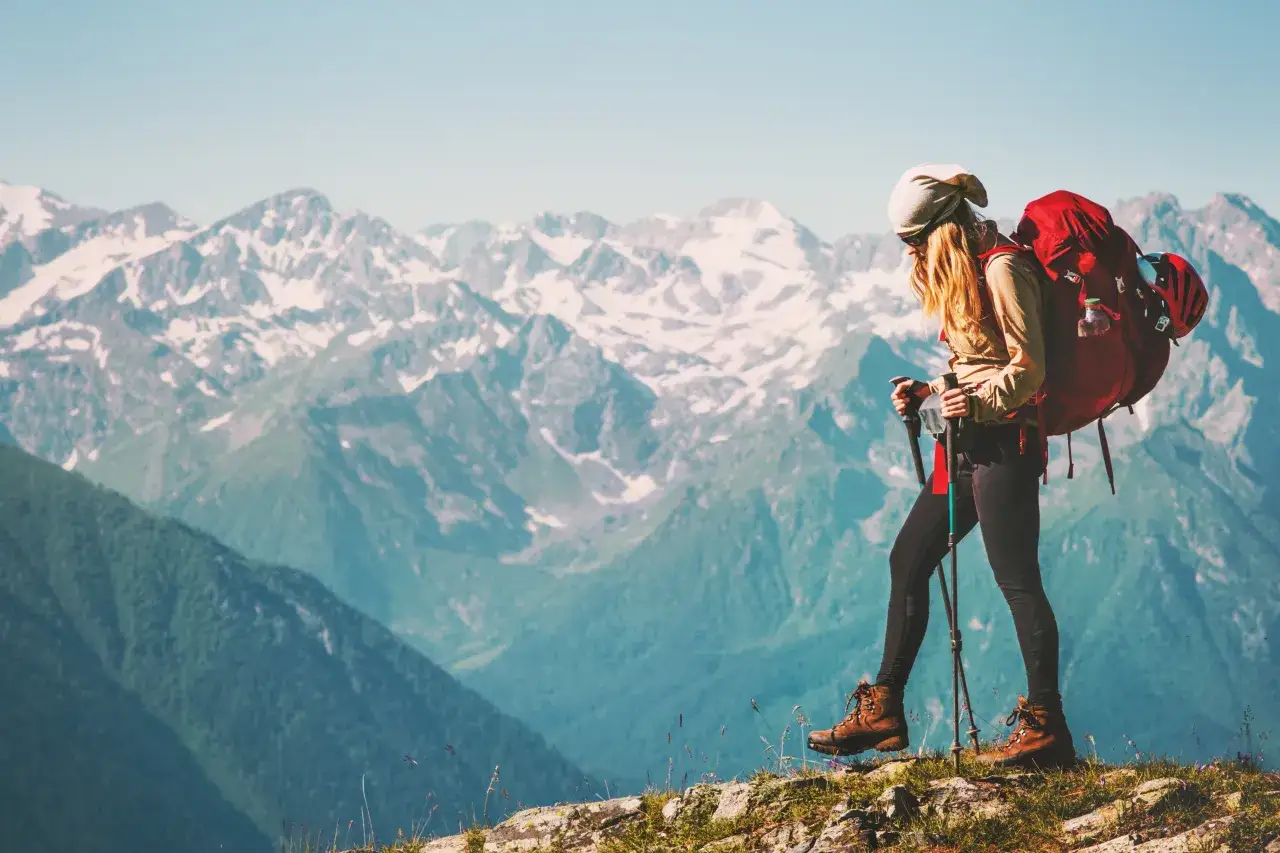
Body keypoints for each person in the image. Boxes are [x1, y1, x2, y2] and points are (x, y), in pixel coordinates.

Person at [807, 164, 1075, 769]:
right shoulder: (966, 271)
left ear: (942, 230)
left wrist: (972, 401)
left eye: (914, 242)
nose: (910, 255)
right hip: (964, 442)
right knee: (908, 558)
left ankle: (1047, 727)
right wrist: (929, 390)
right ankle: (884, 709)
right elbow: (981, 359)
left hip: (1006, 445)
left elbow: (1030, 369)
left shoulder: (1003, 268)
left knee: (1017, 581)